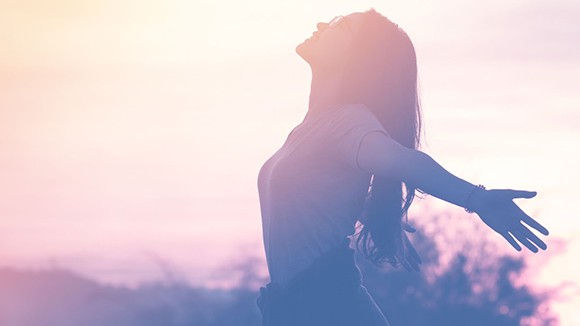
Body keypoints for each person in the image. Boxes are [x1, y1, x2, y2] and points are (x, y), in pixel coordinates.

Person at [256, 8, 549, 326]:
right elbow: (315, 198)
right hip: (297, 308)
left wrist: (474, 198)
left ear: (358, 57)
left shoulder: (347, 121)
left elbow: (402, 160)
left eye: (340, 25)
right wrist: (375, 213)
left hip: (332, 307)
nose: (322, 24)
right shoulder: (311, 129)